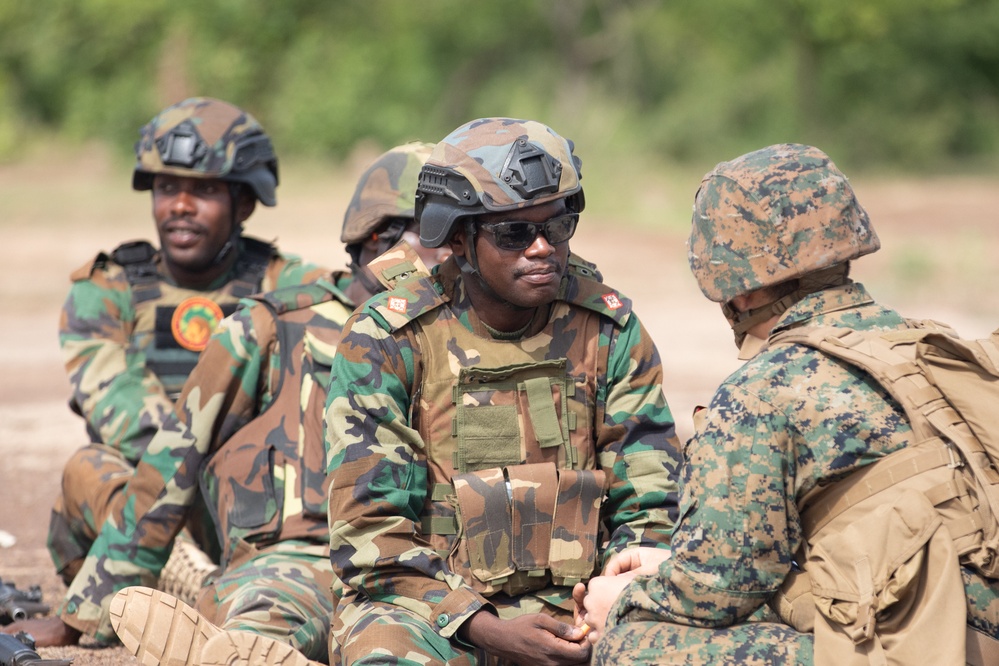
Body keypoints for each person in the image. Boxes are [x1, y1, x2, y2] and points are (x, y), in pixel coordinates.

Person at [2, 142, 443, 665]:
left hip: (427, 566)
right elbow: (171, 462)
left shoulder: (470, 333)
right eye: (445, 238)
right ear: (377, 240)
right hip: (296, 561)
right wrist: (84, 614)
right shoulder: (276, 324)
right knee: (263, 626)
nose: (461, 256)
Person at [578, 143, 999, 664]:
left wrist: (622, 602)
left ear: (740, 290)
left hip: (937, 643)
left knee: (632, 648)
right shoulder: (926, 344)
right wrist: (670, 562)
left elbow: (716, 593)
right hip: (960, 616)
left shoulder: (761, 394)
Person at [323, 117, 683, 666]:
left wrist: (611, 601)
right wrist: (486, 629)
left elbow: (650, 504)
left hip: (579, 607)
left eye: (557, 227)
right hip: (428, 612)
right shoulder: (387, 337)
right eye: (514, 233)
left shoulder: (608, 329)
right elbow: (372, 536)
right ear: (461, 240)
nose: (542, 248)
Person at [46, 96, 328, 604]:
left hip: (254, 502)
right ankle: (191, 581)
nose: (179, 205)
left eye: (204, 190)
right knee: (88, 466)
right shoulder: (105, 291)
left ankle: (207, 591)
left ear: (244, 203)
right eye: (167, 187)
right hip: (144, 504)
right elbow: (125, 415)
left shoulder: (291, 284)